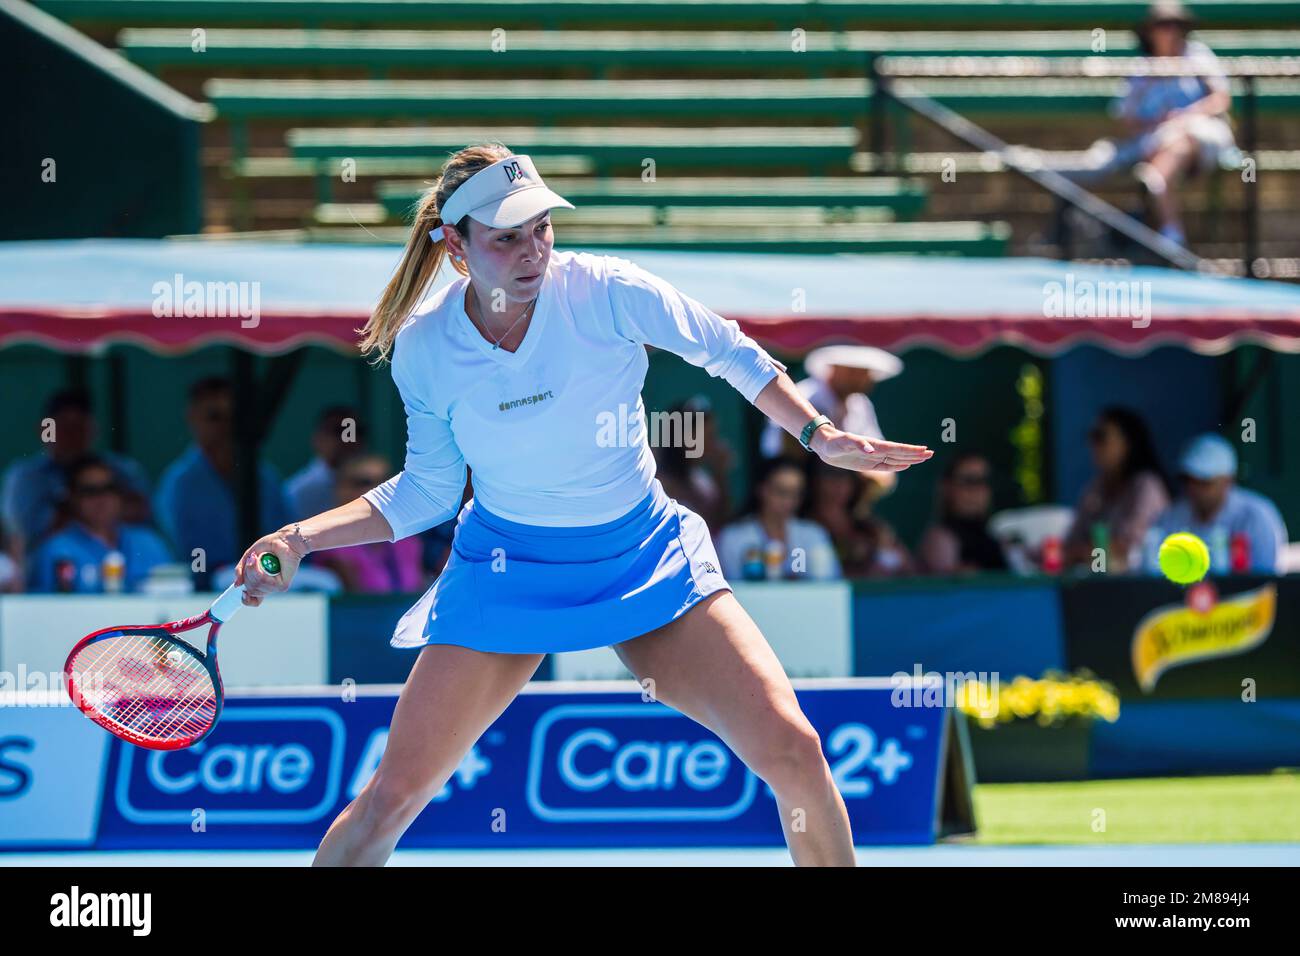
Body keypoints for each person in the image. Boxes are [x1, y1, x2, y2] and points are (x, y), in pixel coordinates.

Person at [228, 144, 933, 867]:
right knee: (389, 801)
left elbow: (731, 353)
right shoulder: (424, 349)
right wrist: (302, 537)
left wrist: (817, 436)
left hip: (645, 556)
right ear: (456, 246)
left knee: (795, 752)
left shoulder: (607, 290)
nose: (534, 250)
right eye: (507, 237)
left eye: (542, 227)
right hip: (505, 571)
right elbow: (427, 491)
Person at [1062, 1, 1235, 247]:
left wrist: (1184, 116)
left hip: (1202, 135)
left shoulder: (1197, 54)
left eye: (1176, 25)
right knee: (1170, 148)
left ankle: (1158, 197)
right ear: (1150, 31)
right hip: (1157, 142)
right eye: (1163, 26)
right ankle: (1170, 231)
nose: (1170, 32)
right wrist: (1156, 123)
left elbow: (1221, 99)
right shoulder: (1142, 68)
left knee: (1181, 140)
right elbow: (1126, 119)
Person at [154, 377, 292, 576]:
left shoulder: (266, 478)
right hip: (203, 597)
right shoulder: (179, 484)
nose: (226, 427)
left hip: (270, 587)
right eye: (214, 416)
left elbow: (289, 541)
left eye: (234, 418)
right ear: (192, 417)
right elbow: (183, 556)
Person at [1, 387, 151, 551]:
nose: (71, 435)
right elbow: (25, 533)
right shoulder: (26, 477)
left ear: (93, 430)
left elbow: (141, 513)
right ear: (44, 430)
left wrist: (77, 513)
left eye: (79, 427)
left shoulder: (121, 468)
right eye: (63, 427)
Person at [761, 345, 903, 499]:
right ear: (834, 369)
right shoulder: (805, 395)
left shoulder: (861, 404)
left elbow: (878, 458)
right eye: (853, 371)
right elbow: (784, 451)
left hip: (841, 484)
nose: (862, 377)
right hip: (793, 482)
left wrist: (878, 472)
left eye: (865, 372)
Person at [27, 455, 173, 593]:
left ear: (121, 495)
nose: (101, 498)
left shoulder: (149, 543)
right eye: (90, 491)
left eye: (109, 489)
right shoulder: (56, 550)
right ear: (73, 497)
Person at [1147, 433, 1288, 575]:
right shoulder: (1173, 515)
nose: (1193, 488)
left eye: (1204, 482)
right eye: (1187, 480)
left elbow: (1264, 578)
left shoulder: (1256, 515)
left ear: (1228, 481)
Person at [1063, 406, 1171, 572]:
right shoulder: (1095, 488)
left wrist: (1084, 552)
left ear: (1128, 443)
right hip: (1098, 581)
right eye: (1091, 437)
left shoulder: (1146, 486)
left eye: (1101, 437)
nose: (1093, 445)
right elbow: (1071, 544)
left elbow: (1129, 547)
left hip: (1141, 587)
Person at [312, 453, 426, 593]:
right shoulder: (328, 544)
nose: (378, 490)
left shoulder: (409, 542)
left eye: (385, 482)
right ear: (341, 488)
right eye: (364, 482)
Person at [717, 456, 843, 581]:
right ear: (762, 489)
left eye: (796, 493)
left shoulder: (814, 534)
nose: (789, 502)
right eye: (781, 492)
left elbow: (829, 583)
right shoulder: (732, 536)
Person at [803, 457, 912, 578]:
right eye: (830, 472)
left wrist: (881, 552)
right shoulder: (801, 528)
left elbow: (908, 569)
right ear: (812, 479)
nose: (839, 482)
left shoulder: (873, 529)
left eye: (847, 473)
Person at [651, 395, 735, 535]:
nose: (715, 443)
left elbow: (720, 523)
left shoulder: (702, 478)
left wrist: (721, 474)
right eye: (709, 436)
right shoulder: (657, 481)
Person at [917, 451, 1009, 575]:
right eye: (969, 481)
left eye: (984, 481)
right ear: (947, 487)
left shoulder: (996, 535)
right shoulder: (941, 538)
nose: (978, 490)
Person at [286, 406, 366, 519]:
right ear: (318, 438)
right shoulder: (300, 491)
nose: (350, 439)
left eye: (357, 431)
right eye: (339, 431)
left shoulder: (377, 482)